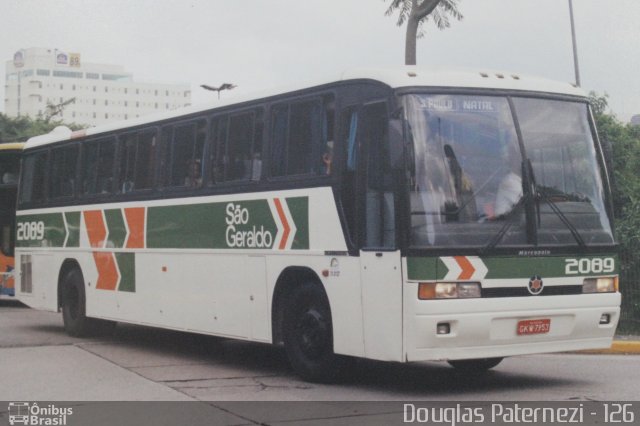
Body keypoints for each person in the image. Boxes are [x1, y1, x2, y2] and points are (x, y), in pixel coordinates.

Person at [494, 144, 523, 217]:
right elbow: (528, 202)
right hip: (503, 224)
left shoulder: (524, 181)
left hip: (518, 222)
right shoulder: (509, 182)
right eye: (518, 159)